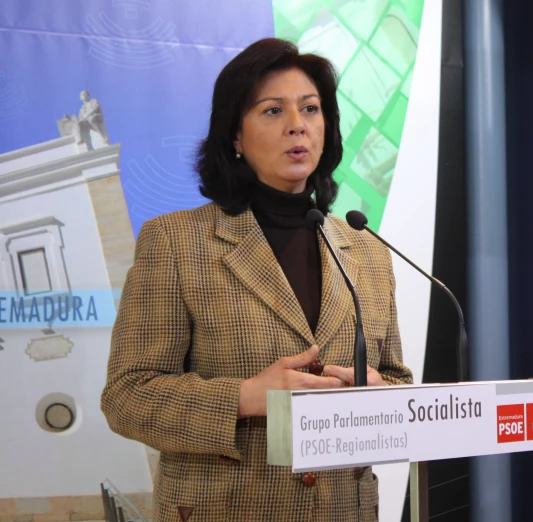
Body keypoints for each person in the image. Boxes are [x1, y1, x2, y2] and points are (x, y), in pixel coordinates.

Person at [100, 37, 413, 522]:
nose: (297, 125)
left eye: (311, 109)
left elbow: (396, 381)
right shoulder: (177, 242)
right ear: (235, 137)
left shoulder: (367, 250)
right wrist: (245, 398)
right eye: (273, 111)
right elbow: (127, 396)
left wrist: (381, 391)